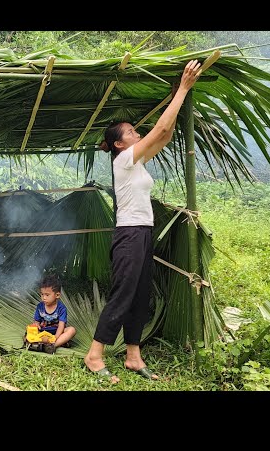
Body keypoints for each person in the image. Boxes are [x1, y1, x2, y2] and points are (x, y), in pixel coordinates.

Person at [84, 59, 202, 383]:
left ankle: (133, 356)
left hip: (142, 232)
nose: (139, 134)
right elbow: (161, 130)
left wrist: (178, 99)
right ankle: (94, 355)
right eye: (133, 132)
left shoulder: (135, 163)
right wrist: (183, 88)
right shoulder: (123, 160)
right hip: (130, 234)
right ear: (120, 144)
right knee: (124, 293)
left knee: (139, 294)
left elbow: (165, 136)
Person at [29, 274, 76, 354]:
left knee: (72, 330)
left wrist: (55, 337)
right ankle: (48, 344)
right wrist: (36, 325)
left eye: (47, 295)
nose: (44, 297)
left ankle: (52, 346)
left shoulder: (61, 308)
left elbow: (61, 325)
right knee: (30, 329)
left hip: (57, 333)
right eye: (42, 294)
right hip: (43, 332)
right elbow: (36, 321)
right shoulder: (40, 306)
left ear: (57, 295)